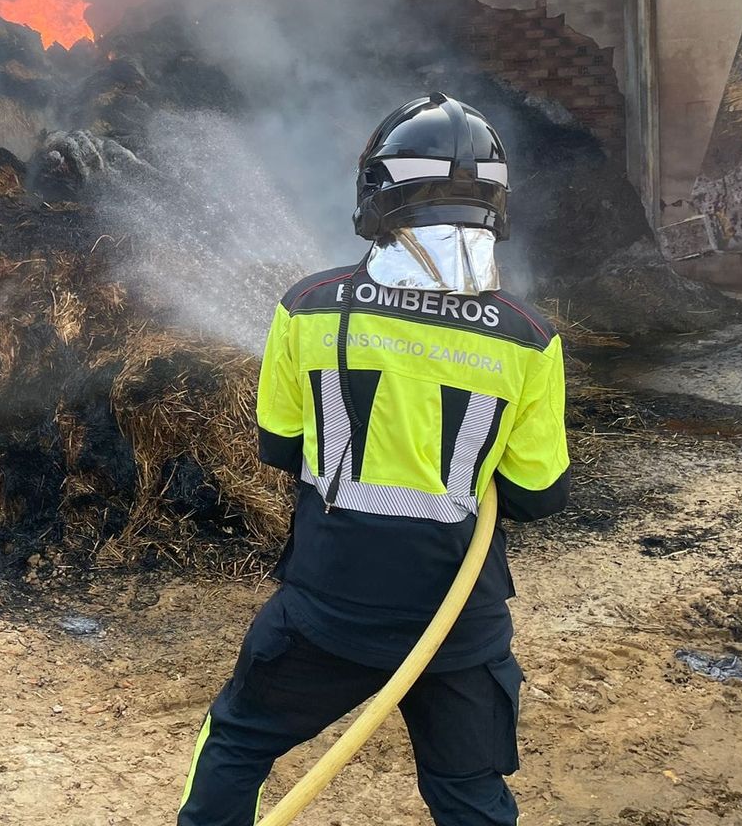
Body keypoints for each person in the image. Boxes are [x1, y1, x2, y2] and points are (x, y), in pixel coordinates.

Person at [177, 92, 570, 826]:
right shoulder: (527, 337)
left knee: (237, 741)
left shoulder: (308, 307)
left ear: (377, 194)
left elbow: (280, 445)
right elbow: (537, 493)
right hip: (457, 623)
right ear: (495, 203)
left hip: (329, 608)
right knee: (469, 797)